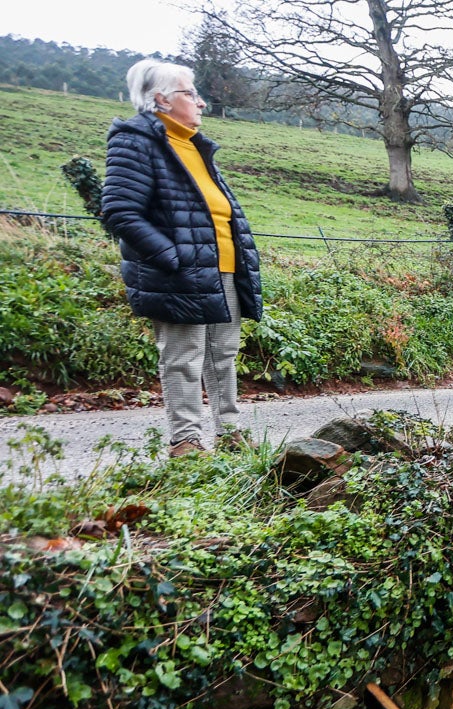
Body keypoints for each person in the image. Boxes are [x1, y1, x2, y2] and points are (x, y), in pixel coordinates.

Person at [102, 59, 262, 457]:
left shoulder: (193, 145)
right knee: (183, 357)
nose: (201, 103)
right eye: (191, 93)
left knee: (222, 354)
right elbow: (120, 211)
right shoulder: (136, 139)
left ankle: (230, 433)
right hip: (176, 271)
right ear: (162, 99)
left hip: (222, 267)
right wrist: (171, 257)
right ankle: (186, 441)